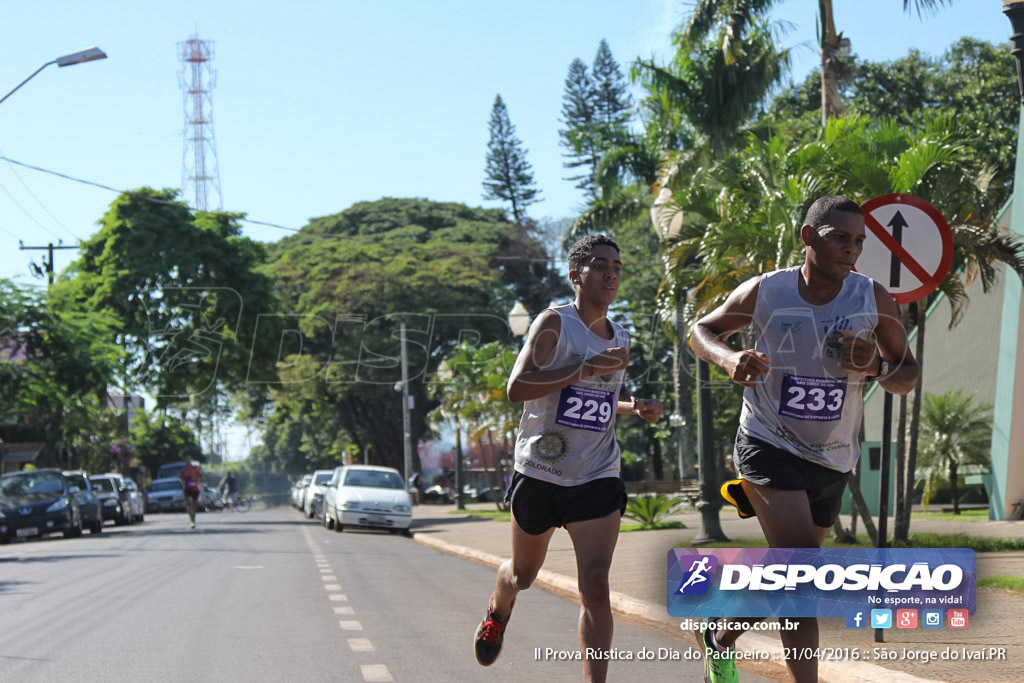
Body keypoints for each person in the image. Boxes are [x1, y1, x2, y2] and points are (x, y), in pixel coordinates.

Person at [688, 195, 919, 683]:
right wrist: (728, 359)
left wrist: (874, 366)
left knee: (787, 577)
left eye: (859, 241)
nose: (852, 249)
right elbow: (701, 330)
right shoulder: (767, 292)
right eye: (840, 238)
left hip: (833, 459)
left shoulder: (872, 298)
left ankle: (719, 636)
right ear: (809, 237)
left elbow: (907, 375)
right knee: (800, 575)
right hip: (768, 441)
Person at [473, 234, 663, 683]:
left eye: (616, 266)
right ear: (576, 275)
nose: (611, 273)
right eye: (600, 265)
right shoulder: (554, 323)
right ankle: (499, 609)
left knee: (595, 585)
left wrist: (632, 406)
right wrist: (587, 367)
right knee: (523, 574)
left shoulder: (621, 338)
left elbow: (597, 395)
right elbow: (518, 388)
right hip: (540, 472)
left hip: (596, 474)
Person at [180, 456, 203, 529]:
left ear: (191, 461)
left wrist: (197, 480)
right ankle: (191, 521)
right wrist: (184, 481)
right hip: (188, 488)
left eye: (189, 460)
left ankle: (193, 518)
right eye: (187, 460)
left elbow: (201, 476)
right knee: (190, 503)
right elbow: (181, 477)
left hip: (195, 488)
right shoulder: (184, 470)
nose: (188, 461)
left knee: (194, 505)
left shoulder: (195, 469)